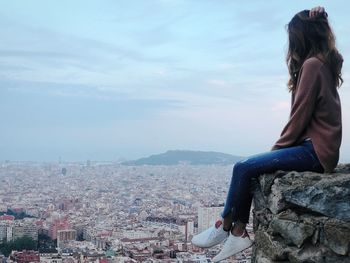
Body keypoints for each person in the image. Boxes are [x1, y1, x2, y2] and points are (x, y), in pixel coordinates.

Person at [191, 6, 343, 262]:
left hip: (315, 150)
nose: (290, 43)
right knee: (248, 167)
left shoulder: (313, 65)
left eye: (292, 37)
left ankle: (226, 225)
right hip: (322, 149)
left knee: (244, 166)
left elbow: (298, 118)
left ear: (300, 37)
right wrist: (322, 20)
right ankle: (236, 230)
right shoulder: (324, 62)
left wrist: (276, 151)